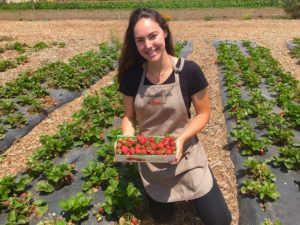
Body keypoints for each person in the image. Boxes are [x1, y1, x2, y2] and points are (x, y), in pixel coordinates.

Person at [117, 8, 232, 225]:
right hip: (152, 156)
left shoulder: (189, 71)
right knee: (163, 218)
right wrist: (128, 139)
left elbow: (204, 114)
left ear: (165, 33)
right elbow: (129, 117)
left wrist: (180, 139)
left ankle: (203, 177)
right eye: (140, 40)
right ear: (135, 43)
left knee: (220, 220)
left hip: (186, 153)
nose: (148, 45)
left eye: (153, 36)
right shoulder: (132, 77)